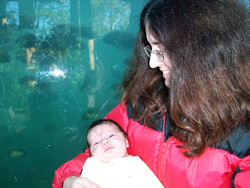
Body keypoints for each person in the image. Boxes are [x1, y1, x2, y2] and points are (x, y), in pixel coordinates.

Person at [52, 0, 250, 187]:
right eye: (151, 49)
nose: (152, 63)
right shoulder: (141, 101)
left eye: (162, 50)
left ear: (206, 52)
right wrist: (70, 179)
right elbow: (97, 149)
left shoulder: (244, 135)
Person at [80, 119, 164, 188]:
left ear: (126, 141)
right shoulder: (92, 165)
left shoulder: (135, 162)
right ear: (91, 154)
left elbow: (151, 184)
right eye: (96, 143)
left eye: (111, 136)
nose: (104, 141)